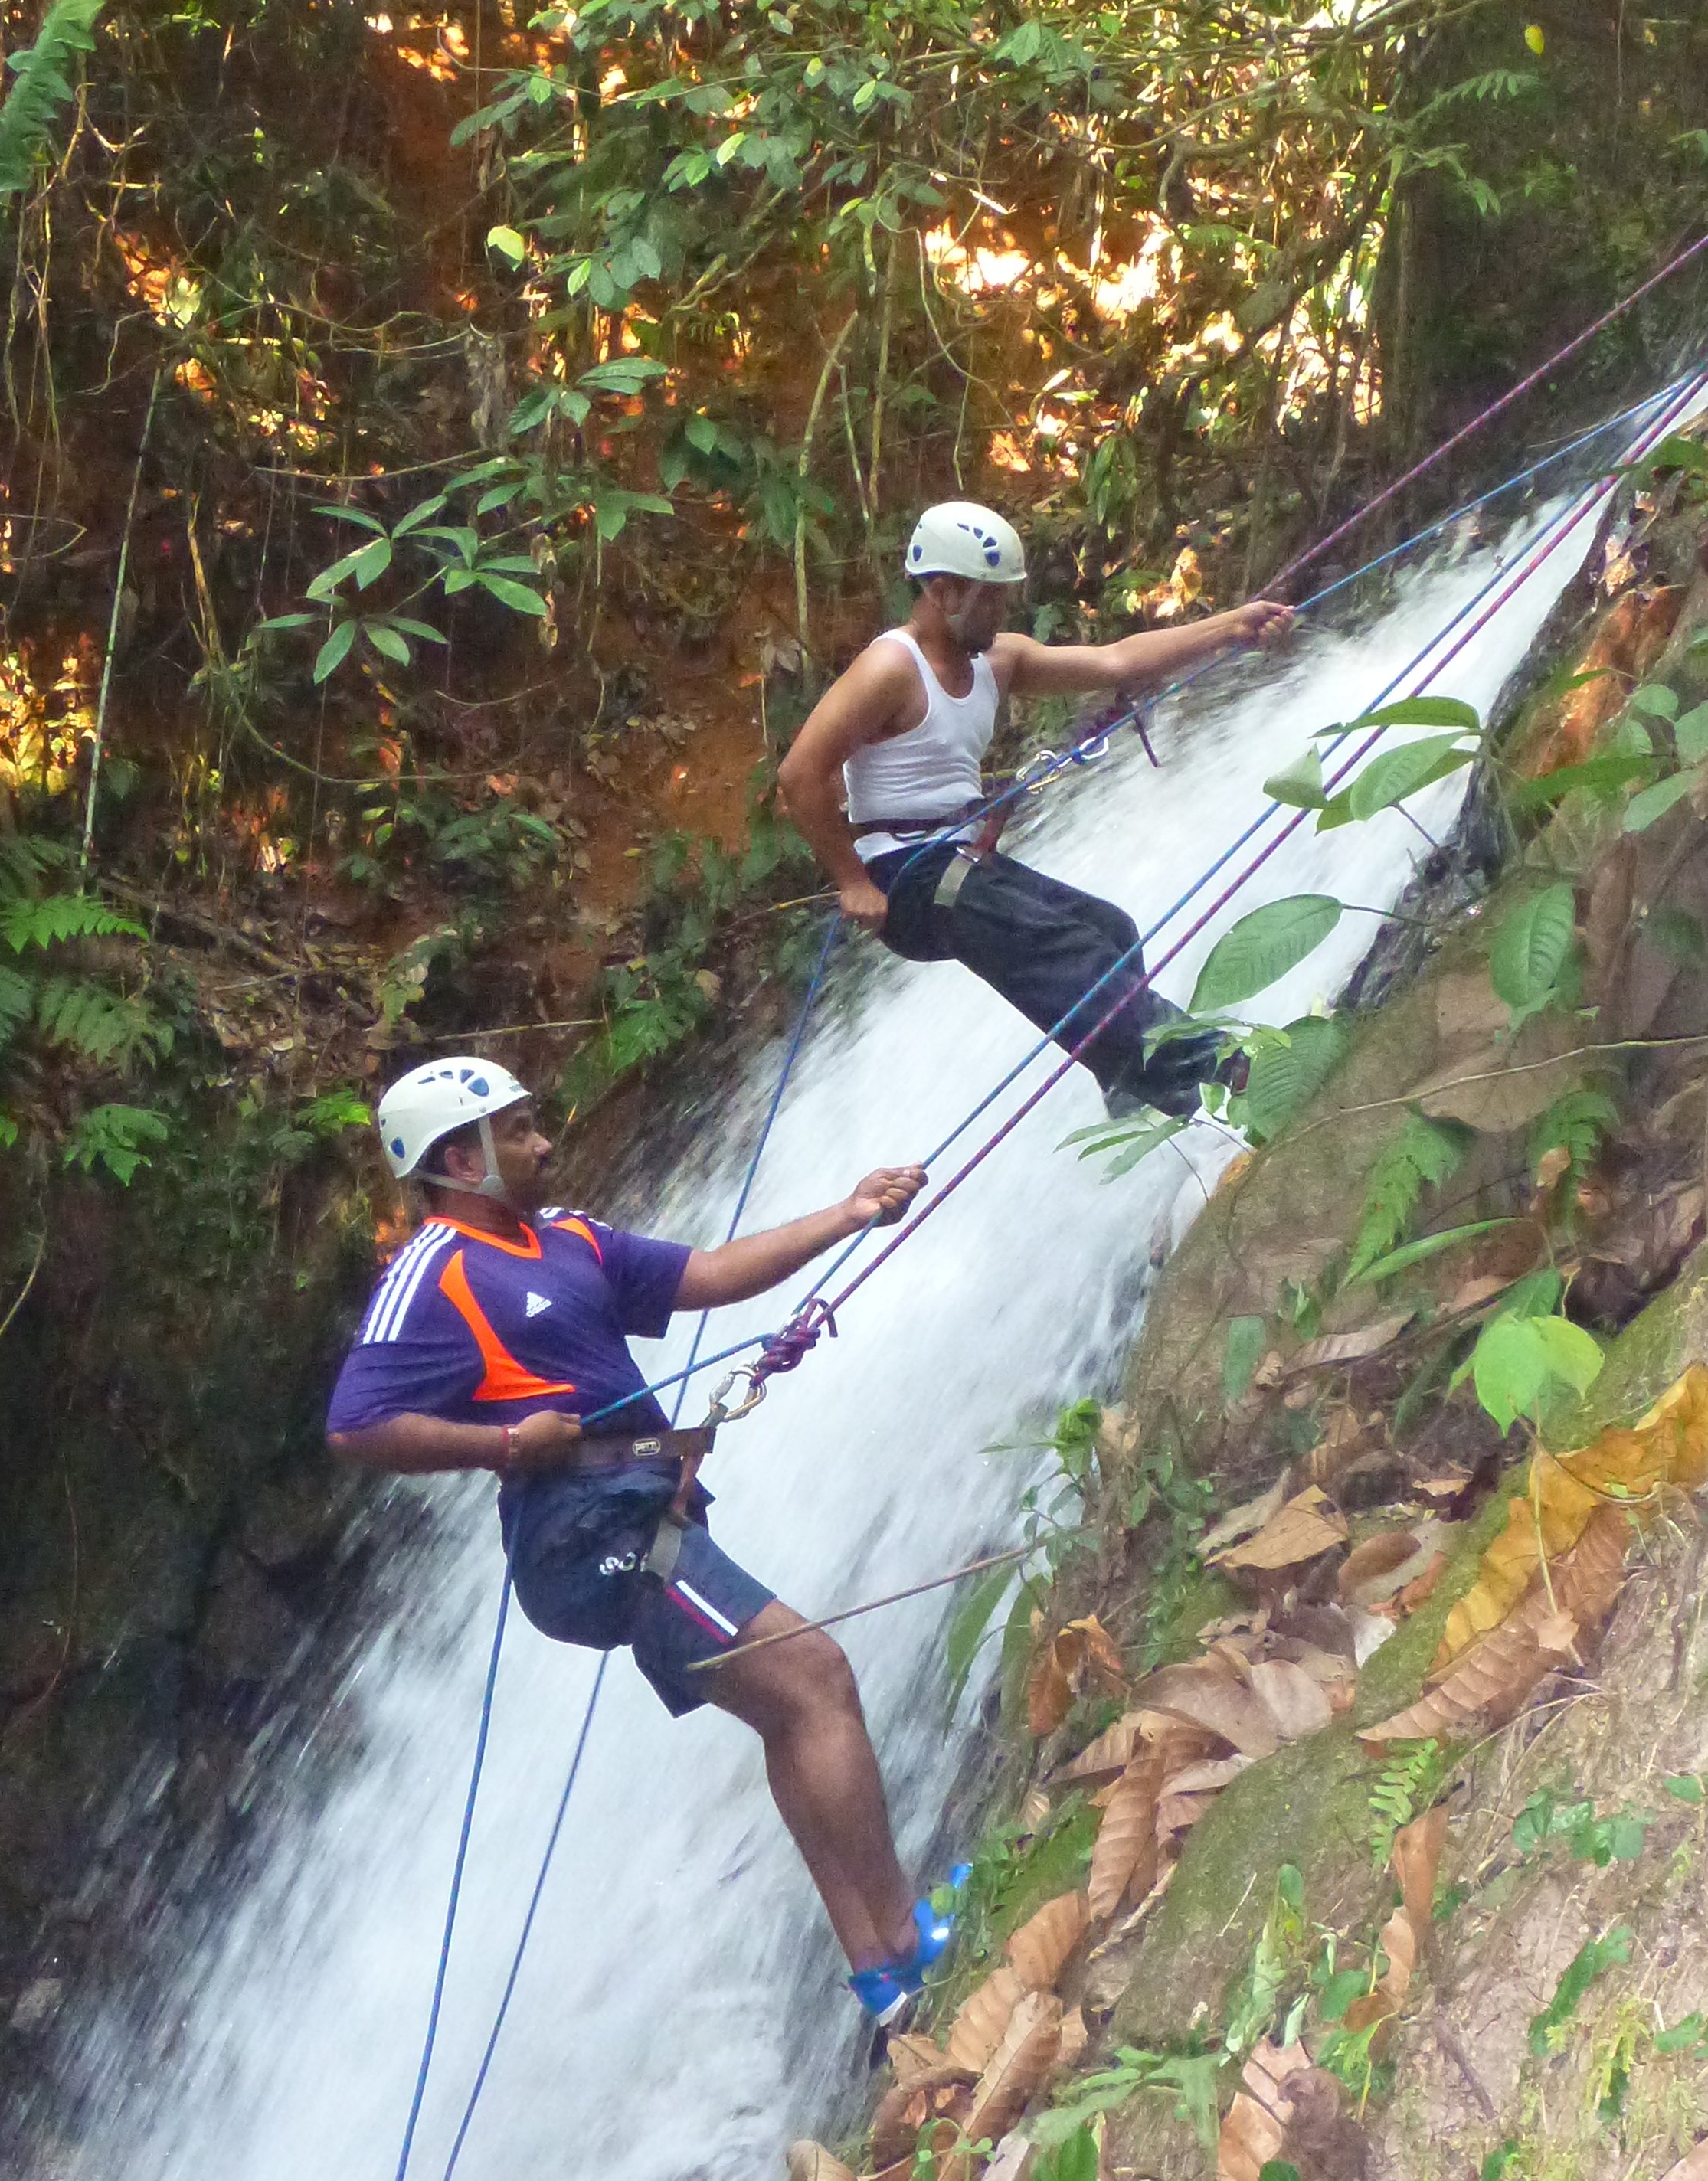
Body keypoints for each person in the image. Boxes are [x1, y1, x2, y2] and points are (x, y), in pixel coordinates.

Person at [326, 1057, 946, 2023]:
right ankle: (909, 1937)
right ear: (461, 1159)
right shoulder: (431, 1271)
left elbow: (708, 1273)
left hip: (637, 1505)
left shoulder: (569, 1236)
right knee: (817, 1676)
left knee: (790, 1709)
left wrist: (847, 1213)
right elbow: (355, 1423)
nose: (544, 1142)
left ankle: (878, 1972)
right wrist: (502, 1445)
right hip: (580, 1532)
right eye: (518, 1131)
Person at [777, 500, 1295, 1116]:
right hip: (904, 878)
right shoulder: (890, 668)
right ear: (943, 592)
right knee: (1067, 951)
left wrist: (1232, 626)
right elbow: (799, 774)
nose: (1003, 611)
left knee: (1109, 932)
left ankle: (1135, 1089)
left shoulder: (999, 661)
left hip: (959, 859)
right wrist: (851, 881)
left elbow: (1115, 661)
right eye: (991, 597)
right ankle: (1229, 1067)